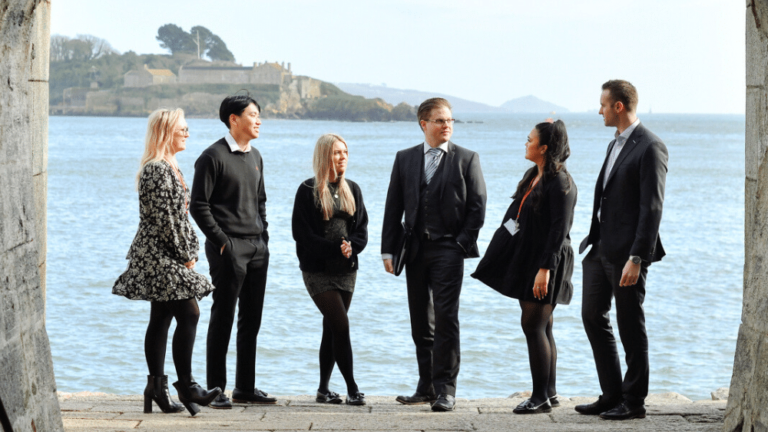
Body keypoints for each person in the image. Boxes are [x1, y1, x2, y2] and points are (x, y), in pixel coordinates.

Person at [113, 108, 222, 416]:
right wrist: (187, 254)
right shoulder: (157, 169)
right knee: (189, 311)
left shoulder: (169, 166)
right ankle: (186, 385)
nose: (187, 133)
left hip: (162, 251)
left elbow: (177, 216)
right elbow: (167, 221)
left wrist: (188, 248)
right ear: (165, 133)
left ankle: (156, 388)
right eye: (182, 129)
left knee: (161, 316)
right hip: (158, 253)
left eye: (187, 129)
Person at [381, 98, 487, 412]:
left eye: (450, 120)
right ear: (423, 124)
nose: (447, 126)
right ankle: (425, 386)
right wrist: (388, 248)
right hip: (414, 250)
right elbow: (393, 205)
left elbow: (478, 206)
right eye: (440, 120)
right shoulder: (405, 158)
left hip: (448, 250)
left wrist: (461, 243)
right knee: (419, 320)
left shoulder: (467, 159)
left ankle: (446, 390)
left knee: (446, 318)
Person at [575, 80, 668, 420]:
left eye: (602, 104)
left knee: (630, 324)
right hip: (600, 249)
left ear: (618, 106)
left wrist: (637, 258)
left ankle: (634, 402)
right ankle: (612, 393)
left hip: (628, 255)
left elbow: (652, 208)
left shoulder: (650, 147)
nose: (598, 110)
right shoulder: (614, 144)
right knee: (591, 316)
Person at [472, 120, 577, 414]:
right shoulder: (535, 175)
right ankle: (550, 392)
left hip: (547, 261)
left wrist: (545, 269)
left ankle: (540, 397)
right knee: (544, 326)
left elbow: (559, 231)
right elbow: (516, 217)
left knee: (533, 325)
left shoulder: (561, 183)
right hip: (529, 258)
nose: (526, 143)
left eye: (530, 140)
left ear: (543, 148)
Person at [189, 95, 275, 409]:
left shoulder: (256, 156)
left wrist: (263, 235)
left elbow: (261, 200)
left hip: (257, 248)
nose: (259, 120)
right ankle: (216, 389)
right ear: (234, 119)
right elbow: (198, 205)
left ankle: (245, 388)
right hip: (228, 249)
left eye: (259, 115)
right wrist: (222, 241)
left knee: (251, 320)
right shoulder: (212, 156)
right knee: (223, 318)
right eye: (253, 115)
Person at [291, 134, 369, 406]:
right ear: (325, 155)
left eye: (345, 151)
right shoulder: (307, 189)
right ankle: (352, 387)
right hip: (317, 270)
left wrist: (352, 247)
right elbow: (301, 235)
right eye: (337, 152)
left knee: (331, 328)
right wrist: (336, 247)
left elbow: (362, 230)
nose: (343, 156)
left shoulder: (353, 189)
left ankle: (323, 390)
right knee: (341, 325)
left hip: (346, 270)